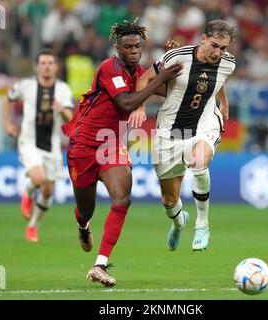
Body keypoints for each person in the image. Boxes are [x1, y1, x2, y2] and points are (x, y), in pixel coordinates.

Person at [61, 20, 182, 287]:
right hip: (83, 145)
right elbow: (127, 102)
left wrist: (171, 63)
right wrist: (159, 77)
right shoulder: (109, 67)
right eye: (127, 46)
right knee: (85, 210)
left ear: (143, 46)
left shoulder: (140, 73)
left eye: (137, 46)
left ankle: (100, 265)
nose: (133, 50)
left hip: (110, 145)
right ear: (117, 48)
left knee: (122, 199)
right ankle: (82, 227)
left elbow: (170, 90)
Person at [134, 19, 236, 252]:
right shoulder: (177, 56)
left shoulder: (228, 63)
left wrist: (223, 102)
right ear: (202, 39)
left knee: (199, 162)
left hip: (204, 124)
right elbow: (144, 78)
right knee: (169, 201)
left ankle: (202, 224)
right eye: (214, 46)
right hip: (170, 131)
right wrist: (140, 107)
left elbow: (219, 78)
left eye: (223, 48)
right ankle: (179, 223)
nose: (218, 52)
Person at [2, 49, 74, 242]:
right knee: (38, 177)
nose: (47, 66)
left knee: (49, 191)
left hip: (52, 145)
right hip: (29, 142)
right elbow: (7, 99)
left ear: (56, 67)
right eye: (43, 63)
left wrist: (62, 110)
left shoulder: (63, 89)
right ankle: (27, 193)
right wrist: (8, 124)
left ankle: (33, 225)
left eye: (50, 63)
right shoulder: (26, 86)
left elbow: (70, 117)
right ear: (36, 66)